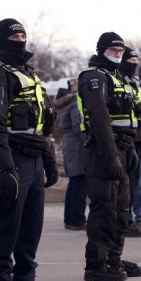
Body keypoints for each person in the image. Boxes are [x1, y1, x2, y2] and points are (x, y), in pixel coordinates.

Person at [0, 19, 60, 281]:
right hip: (12, 158)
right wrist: (5, 167)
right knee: (8, 225)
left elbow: (42, 122)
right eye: (14, 35)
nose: (20, 39)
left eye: (23, 34)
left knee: (31, 225)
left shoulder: (27, 73)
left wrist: (48, 157)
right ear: (2, 39)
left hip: (35, 158)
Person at [76, 34, 141, 281]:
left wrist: (131, 149)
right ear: (102, 50)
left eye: (120, 50)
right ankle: (96, 265)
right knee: (104, 208)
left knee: (121, 210)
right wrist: (112, 154)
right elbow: (100, 118)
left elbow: (127, 119)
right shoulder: (94, 77)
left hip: (123, 148)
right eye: (113, 50)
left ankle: (113, 259)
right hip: (104, 150)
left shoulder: (119, 78)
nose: (118, 54)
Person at [119, 47, 141, 238]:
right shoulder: (117, 82)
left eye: (135, 62)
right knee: (127, 184)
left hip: (140, 142)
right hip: (124, 141)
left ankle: (137, 218)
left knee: (139, 184)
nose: (133, 65)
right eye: (130, 61)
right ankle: (126, 220)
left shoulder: (135, 84)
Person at [56, 80, 87, 230]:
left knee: (74, 181)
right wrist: (88, 143)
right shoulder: (75, 105)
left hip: (70, 143)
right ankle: (77, 219)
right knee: (80, 181)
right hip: (77, 145)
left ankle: (70, 219)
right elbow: (79, 127)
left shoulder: (67, 104)